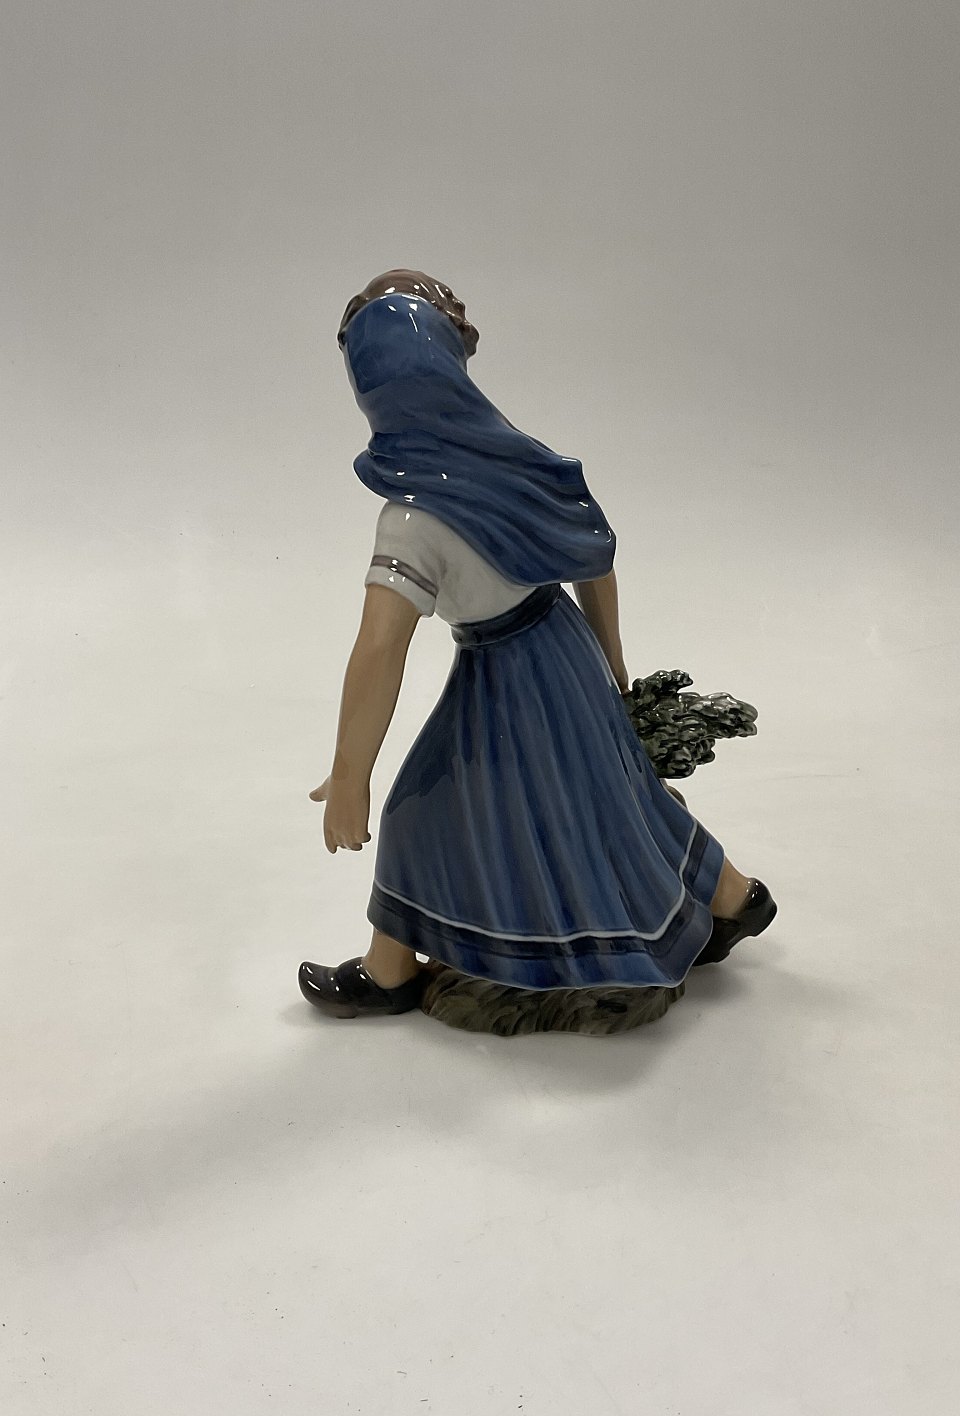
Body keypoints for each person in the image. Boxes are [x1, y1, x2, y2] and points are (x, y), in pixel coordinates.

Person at [299, 268, 776, 1019]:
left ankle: (391, 973)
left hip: (507, 677)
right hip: (564, 646)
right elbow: (595, 556)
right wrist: (608, 658)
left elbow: (379, 649)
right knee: (616, 792)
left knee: (423, 811)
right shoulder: (511, 459)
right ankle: (733, 897)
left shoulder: (413, 517)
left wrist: (350, 774)